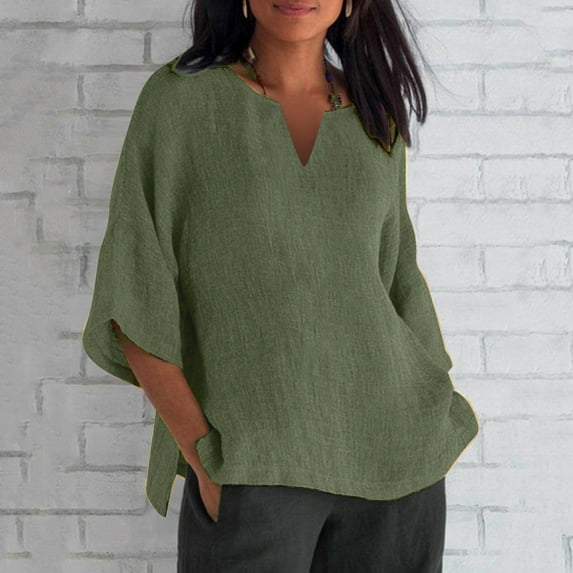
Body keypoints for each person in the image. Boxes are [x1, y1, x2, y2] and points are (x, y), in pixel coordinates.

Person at [81, 0, 480, 570]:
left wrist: (431, 400)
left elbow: (397, 277)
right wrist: (206, 460)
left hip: (397, 460)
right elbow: (133, 296)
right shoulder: (182, 102)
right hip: (255, 466)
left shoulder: (376, 115)